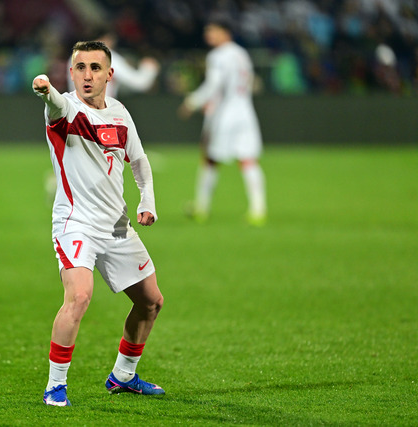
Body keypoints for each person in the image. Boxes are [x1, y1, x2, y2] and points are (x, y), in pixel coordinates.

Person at [33, 41, 165, 407]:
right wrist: (45, 89)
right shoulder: (65, 111)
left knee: (151, 302)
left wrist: (147, 200)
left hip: (116, 224)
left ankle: (124, 375)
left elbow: (139, 161)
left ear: (110, 74)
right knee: (79, 296)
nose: (87, 75)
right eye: (80, 68)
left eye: (95, 68)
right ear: (70, 73)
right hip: (76, 223)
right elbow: (54, 103)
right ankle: (55, 386)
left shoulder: (120, 113)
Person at [178, 18, 267, 226]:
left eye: (213, 31)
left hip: (225, 114)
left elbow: (214, 85)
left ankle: (201, 207)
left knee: (210, 158)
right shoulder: (242, 53)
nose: (208, 35)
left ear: (225, 32)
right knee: (248, 160)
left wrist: (192, 102)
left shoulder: (217, 56)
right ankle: (258, 209)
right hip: (245, 111)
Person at [66, 29, 160, 98]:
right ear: (106, 39)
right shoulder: (106, 56)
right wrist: (149, 67)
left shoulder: (73, 58)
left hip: (76, 114)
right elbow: (139, 83)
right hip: (100, 114)